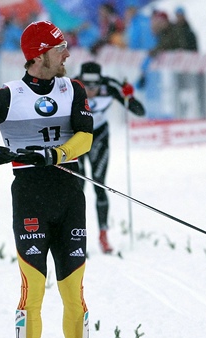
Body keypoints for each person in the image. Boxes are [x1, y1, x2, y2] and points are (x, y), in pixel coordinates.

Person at [0, 20, 93, 338]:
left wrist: (56, 154)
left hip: (70, 199)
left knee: (75, 296)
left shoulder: (73, 90)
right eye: (60, 49)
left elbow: (85, 137)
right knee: (34, 295)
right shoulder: (9, 96)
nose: (67, 54)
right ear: (40, 55)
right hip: (30, 201)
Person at [75, 62, 145, 255]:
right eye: (86, 85)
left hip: (99, 137)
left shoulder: (109, 86)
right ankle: (75, 238)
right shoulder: (71, 87)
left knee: (100, 185)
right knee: (76, 188)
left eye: (94, 85)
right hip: (76, 138)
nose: (91, 90)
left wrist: (128, 95)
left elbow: (140, 111)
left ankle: (103, 235)